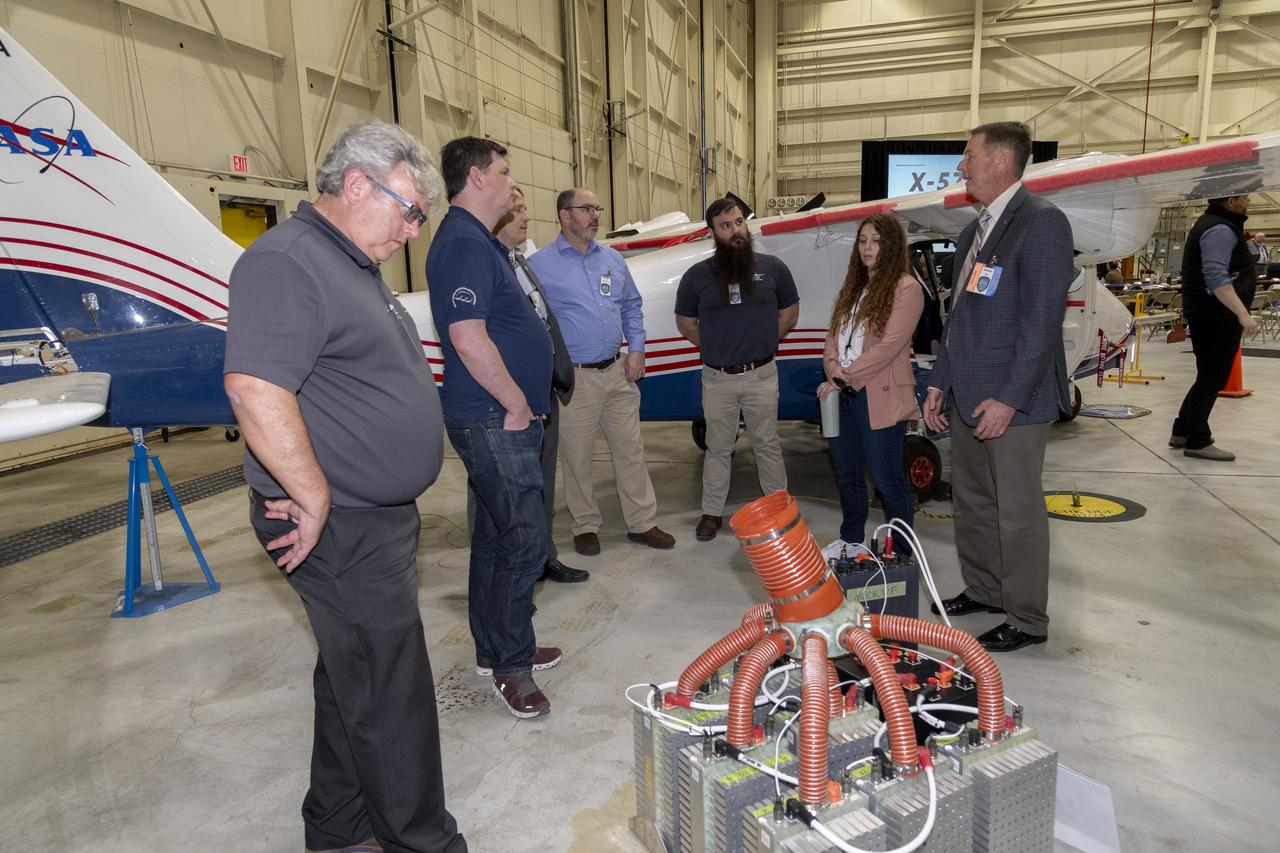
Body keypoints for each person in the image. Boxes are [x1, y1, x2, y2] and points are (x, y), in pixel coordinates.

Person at [224, 119, 466, 853]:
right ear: (357, 184)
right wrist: (316, 493)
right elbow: (255, 387)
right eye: (409, 210)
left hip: (369, 518)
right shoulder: (287, 262)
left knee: (353, 674)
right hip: (338, 521)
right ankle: (422, 841)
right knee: (391, 696)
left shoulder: (349, 262)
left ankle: (336, 825)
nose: (412, 229)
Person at [923, 121, 1074, 654]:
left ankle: (1028, 618)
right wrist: (939, 383)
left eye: (968, 155)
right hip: (967, 394)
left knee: (1018, 511)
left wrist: (1009, 398)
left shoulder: (1041, 223)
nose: (962, 165)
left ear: (1001, 162)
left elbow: (1041, 322)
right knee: (974, 502)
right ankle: (986, 590)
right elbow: (959, 318)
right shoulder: (973, 232)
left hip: (1015, 401)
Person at [427, 137, 561, 720]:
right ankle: (512, 667)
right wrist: (513, 403)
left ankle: (497, 648)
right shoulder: (462, 243)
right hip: (491, 418)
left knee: (493, 538)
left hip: (493, 415)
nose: (512, 182)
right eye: (505, 171)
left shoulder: (480, 241)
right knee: (525, 540)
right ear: (477, 177)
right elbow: (467, 336)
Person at [527, 188, 675, 556]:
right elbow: (532, 321)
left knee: (631, 451)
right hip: (576, 379)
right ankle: (585, 524)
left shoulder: (612, 259)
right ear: (564, 215)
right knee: (576, 457)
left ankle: (641, 522)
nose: (595, 215)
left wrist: (636, 348)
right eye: (586, 209)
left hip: (617, 372)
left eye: (597, 208)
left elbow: (630, 306)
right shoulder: (540, 265)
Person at [674, 198, 799, 541]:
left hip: (762, 375)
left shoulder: (773, 268)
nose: (735, 230)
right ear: (713, 232)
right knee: (718, 447)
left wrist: (765, 339)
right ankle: (712, 513)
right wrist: (716, 345)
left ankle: (779, 511)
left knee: (768, 444)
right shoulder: (696, 276)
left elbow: (790, 310)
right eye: (725, 226)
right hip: (717, 379)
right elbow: (685, 323)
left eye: (739, 222)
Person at [492, 186, 588, 582]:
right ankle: (515, 578)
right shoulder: (489, 266)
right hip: (511, 400)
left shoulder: (520, 262)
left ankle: (543, 557)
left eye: (525, 208)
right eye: (516, 210)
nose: (526, 217)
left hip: (542, 395)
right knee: (507, 497)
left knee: (542, 486)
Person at [817, 213, 923, 561]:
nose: (868, 247)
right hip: (844, 394)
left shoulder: (906, 288)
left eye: (876, 240)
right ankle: (852, 540)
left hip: (878, 395)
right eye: (863, 240)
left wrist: (843, 378)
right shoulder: (852, 288)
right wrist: (833, 370)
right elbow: (832, 338)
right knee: (847, 475)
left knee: (887, 479)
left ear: (891, 245)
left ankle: (902, 551)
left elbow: (889, 346)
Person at [1170, 196, 1259, 461]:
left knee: (1207, 376)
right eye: (1244, 197)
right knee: (1212, 379)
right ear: (1230, 202)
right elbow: (1216, 276)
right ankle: (1198, 441)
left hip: (1211, 314)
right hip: (1217, 315)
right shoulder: (1219, 229)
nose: (1249, 200)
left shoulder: (1217, 225)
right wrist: (1243, 314)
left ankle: (1182, 430)